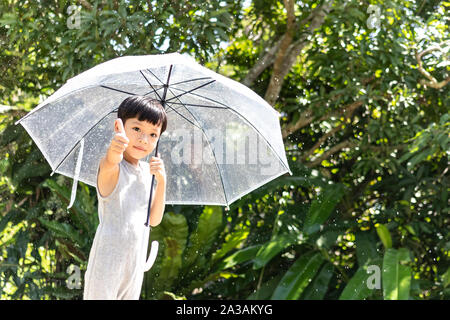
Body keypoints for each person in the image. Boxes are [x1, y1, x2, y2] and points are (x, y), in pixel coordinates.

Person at [83, 95, 167, 300]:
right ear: (119, 125)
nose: (143, 139)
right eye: (137, 129)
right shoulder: (113, 166)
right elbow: (110, 165)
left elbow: (153, 220)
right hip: (107, 264)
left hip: (135, 266)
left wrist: (162, 181)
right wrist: (114, 151)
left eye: (153, 134)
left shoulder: (149, 173)